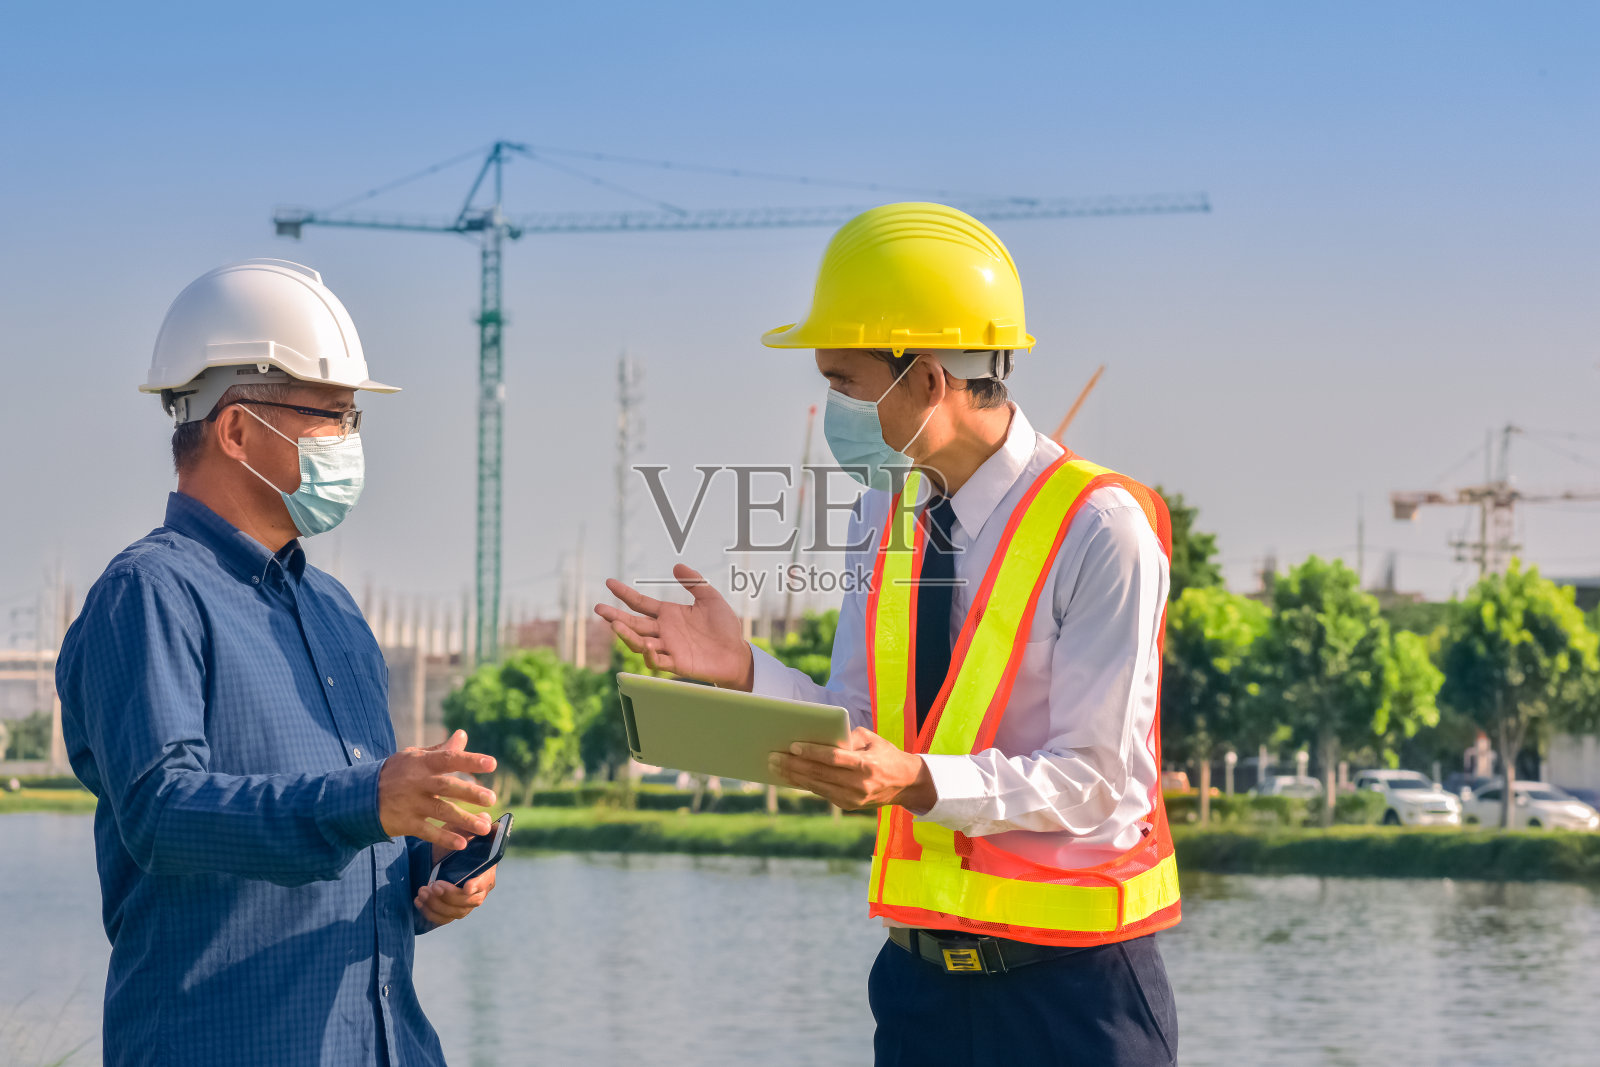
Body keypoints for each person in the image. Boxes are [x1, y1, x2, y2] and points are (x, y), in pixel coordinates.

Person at [596, 204, 1180, 1066]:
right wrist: (745, 670)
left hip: (1075, 999)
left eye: (843, 383)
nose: (831, 407)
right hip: (918, 993)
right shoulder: (883, 515)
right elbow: (863, 718)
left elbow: (1100, 783)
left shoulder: (1102, 527)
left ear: (930, 381)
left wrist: (914, 781)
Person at [57, 260, 500, 1067]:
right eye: (331, 415)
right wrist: (368, 799)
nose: (350, 441)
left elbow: (343, 845)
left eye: (354, 418)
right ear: (235, 430)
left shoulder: (336, 614)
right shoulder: (149, 594)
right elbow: (164, 812)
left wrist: (423, 873)